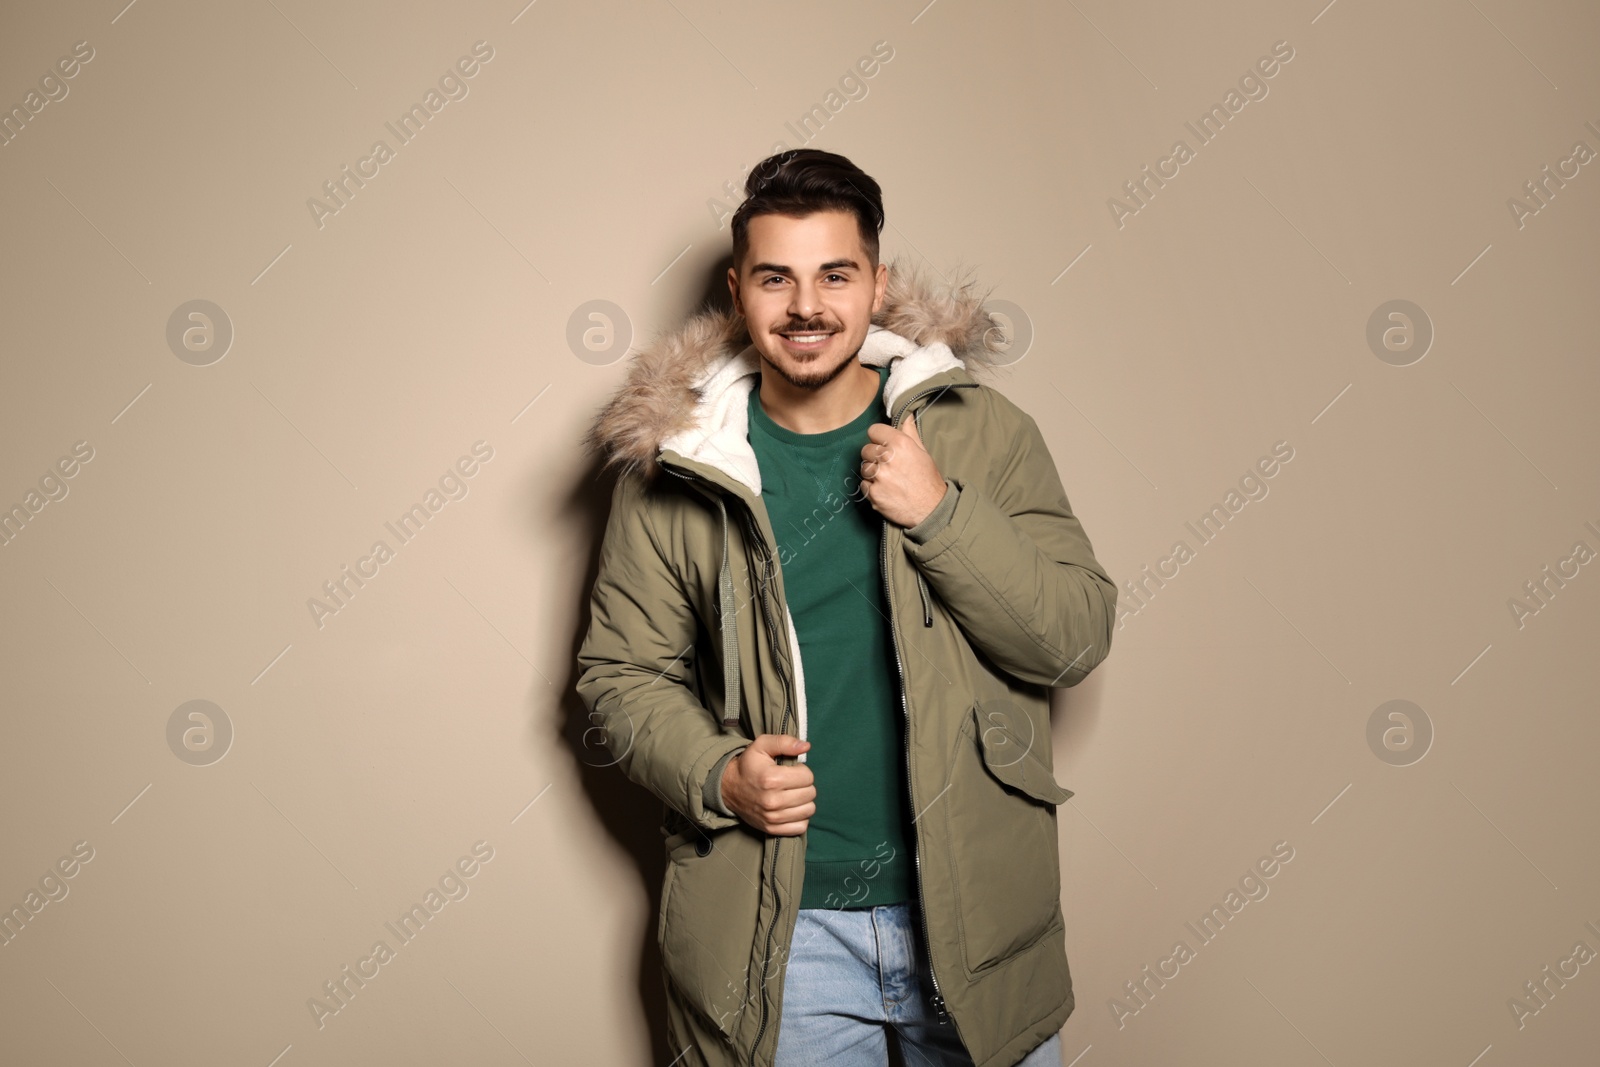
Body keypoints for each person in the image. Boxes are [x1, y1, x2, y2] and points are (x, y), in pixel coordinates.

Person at [576, 148, 1117, 1067]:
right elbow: (619, 676)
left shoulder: (979, 432)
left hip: (975, 916)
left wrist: (943, 515)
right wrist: (717, 774)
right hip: (782, 936)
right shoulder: (679, 465)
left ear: (879, 281)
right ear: (740, 291)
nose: (807, 307)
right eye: (776, 278)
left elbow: (1073, 638)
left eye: (836, 273)